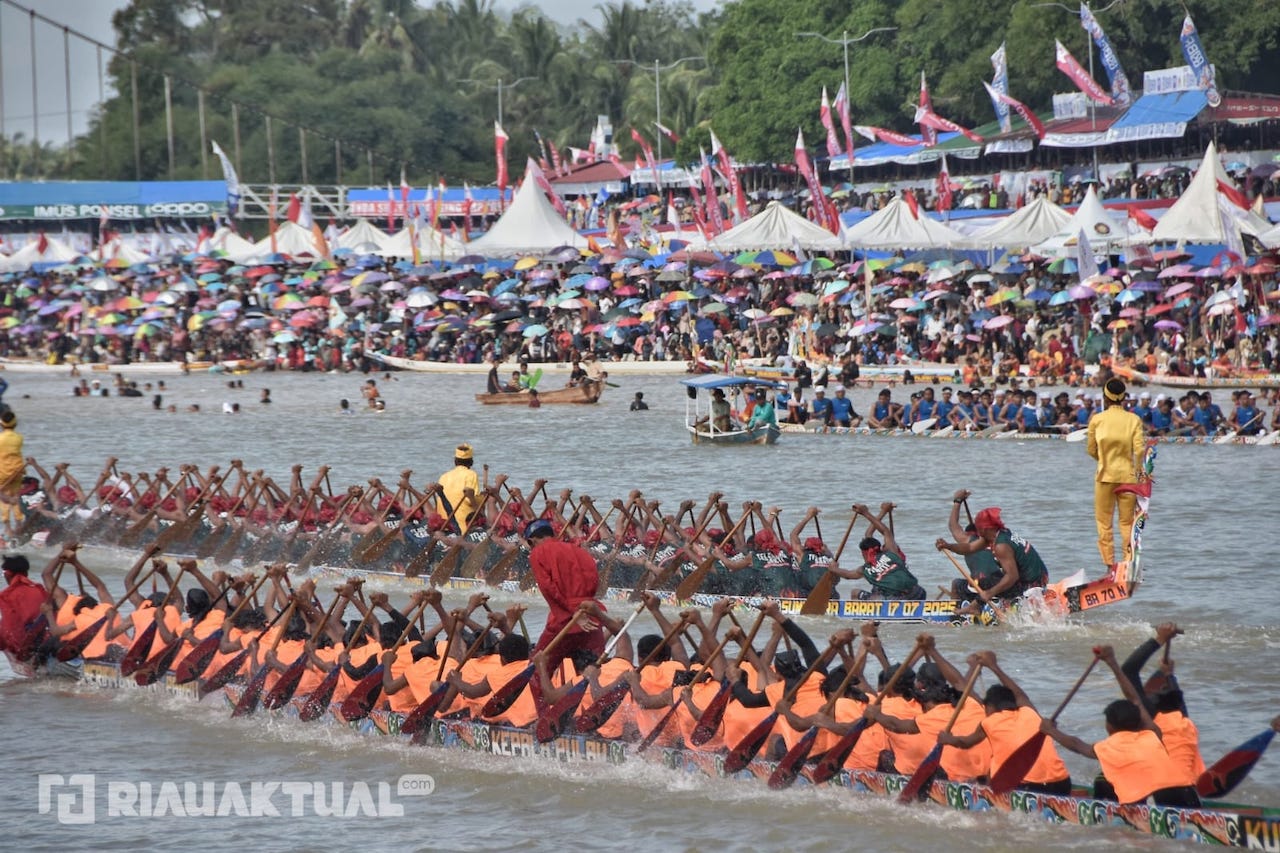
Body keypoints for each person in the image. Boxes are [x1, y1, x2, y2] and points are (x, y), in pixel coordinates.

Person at [1039, 645, 1201, 808]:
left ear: (1110, 727)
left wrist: (1051, 731)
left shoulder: (1108, 746)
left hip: (1159, 801)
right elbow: (1135, 700)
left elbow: (1075, 744)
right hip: (1185, 792)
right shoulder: (1152, 734)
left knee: (1103, 780)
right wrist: (1112, 662)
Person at [938, 650, 1072, 795]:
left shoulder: (990, 722)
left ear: (990, 707)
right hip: (1062, 784)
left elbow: (966, 743)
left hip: (1027, 788)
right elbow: (1019, 694)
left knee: (991, 774)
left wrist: (948, 739)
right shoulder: (1030, 713)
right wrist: (994, 666)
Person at [524, 518, 604, 676]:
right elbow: (595, 580)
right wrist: (584, 608)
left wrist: (573, 612)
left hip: (565, 619)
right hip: (591, 615)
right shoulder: (579, 550)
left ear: (531, 540)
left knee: (538, 671)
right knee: (592, 671)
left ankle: (541, 701)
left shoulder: (537, 553)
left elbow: (548, 588)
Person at [1086, 378, 1147, 569]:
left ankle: (1109, 565)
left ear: (1105, 397)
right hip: (1128, 477)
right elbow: (1139, 450)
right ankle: (1128, 563)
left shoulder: (1097, 419)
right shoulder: (1134, 420)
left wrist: (1103, 460)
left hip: (1104, 476)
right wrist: (1138, 472)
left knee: (1104, 523)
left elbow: (1091, 449)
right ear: (1123, 398)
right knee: (1127, 522)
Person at [935, 506, 1046, 608]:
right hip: (1039, 577)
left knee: (980, 583)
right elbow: (969, 548)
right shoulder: (1000, 534)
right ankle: (978, 607)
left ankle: (969, 610)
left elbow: (1012, 576)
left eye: (978, 528)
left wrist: (989, 594)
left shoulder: (1001, 546)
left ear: (985, 529)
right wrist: (948, 546)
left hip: (1029, 585)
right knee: (987, 581)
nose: (977, 531)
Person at [829, 503, 925, 600]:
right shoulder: (891, 552)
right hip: (918, 593)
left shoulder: (864, 570)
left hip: (895, 600)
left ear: (864, 553)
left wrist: (833, 568)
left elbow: (848, 575)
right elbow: (885, 532)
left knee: (855, 592)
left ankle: (859, 615)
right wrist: (870, 513)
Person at [0, 554, 45, 658]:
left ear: (8, 573)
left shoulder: (7, 595)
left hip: (28, 644)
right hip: (45, 636)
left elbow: (10, 627)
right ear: (26, 573)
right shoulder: (39, 589)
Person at [438, 443, 481, 533]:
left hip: (445, 526)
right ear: (471, 461)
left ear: (455, 461)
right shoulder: (471, 474)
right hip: (463, 527)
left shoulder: (443, 476)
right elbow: (470, 500)